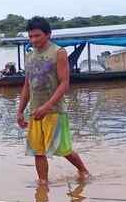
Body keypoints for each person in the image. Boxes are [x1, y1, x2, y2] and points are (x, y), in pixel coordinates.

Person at [16, 17, 90, 186]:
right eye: (31, 36)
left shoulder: (58, 52)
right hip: (35, 111)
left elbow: (64, 83)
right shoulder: (29, 55)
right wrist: (20, 111)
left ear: (48, 34)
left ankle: (83, 171)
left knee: (62, 148)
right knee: (38, 151)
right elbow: (27, 86)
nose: (33, 40)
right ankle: (43, 183)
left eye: (37, 36)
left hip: (54, 110)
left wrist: (47, 106)